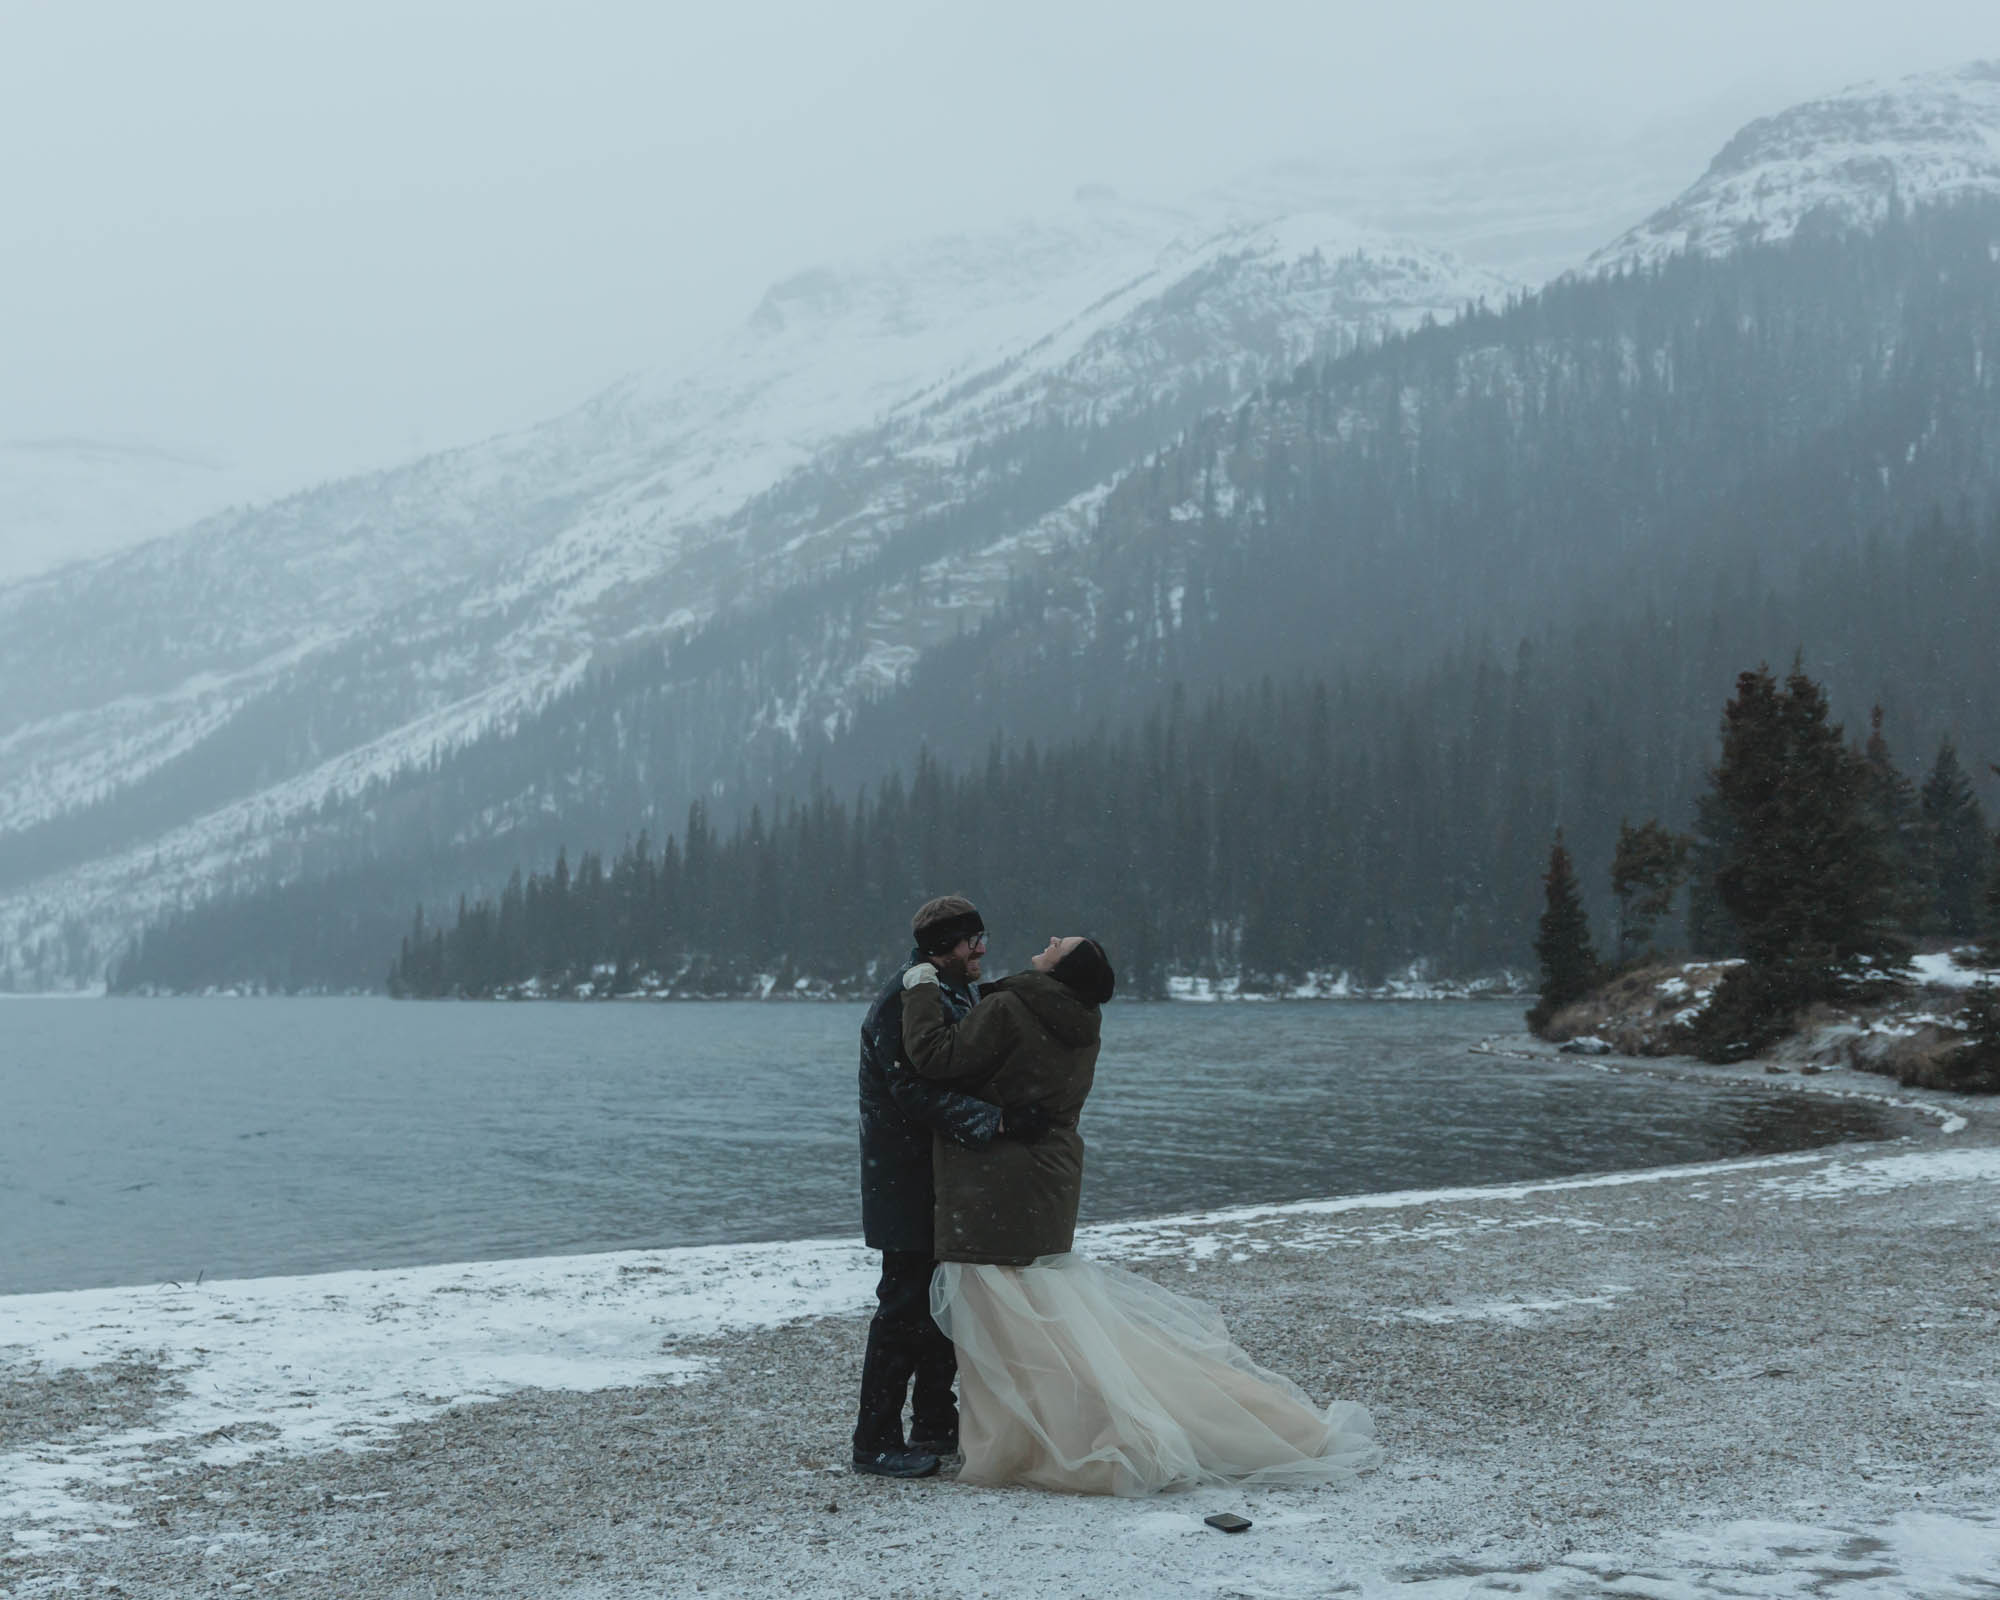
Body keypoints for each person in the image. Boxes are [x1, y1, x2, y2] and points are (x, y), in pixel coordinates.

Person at [900, 934, 1380, 1496]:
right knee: (1040, 1322)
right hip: (1047, 1181)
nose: (1050, 941)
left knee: (1011, 1328)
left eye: (1061, 944)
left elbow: (934, 1057)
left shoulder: (1010, 1006)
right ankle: (1057, 1430)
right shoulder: (1080, 1018)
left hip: (996, 1187)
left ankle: (1073, 1441)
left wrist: (920, 988)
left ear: (1061, 969)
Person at [851, 895, 1047, 1479]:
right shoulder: (902, 1000)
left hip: (942, 1180)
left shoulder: (951, 991)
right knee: (903, 1308)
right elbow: (912, 1092)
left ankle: (935, 1425)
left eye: (981, 937)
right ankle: (875, 1440)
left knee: (944, 1304)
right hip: (904, 1181)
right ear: (942, 947)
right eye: (970, 942)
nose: (981, 949)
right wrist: (1001, 1122)